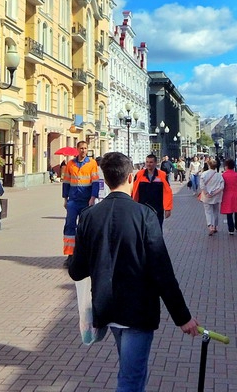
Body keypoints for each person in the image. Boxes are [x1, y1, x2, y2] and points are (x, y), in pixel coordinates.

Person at [68, 152, 198, 391]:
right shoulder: (144, 215)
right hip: (138, 311)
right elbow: (162, 272)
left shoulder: (88, 217)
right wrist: (183, 317)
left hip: (107, 309)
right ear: (131, 177)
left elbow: (76, 271)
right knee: (131, 379)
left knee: (130, 371)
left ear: (105, 180)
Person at [62, 140, 101, 265]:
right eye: (81, 148)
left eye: (85, 148)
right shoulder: (70, 164)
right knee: (69, 226)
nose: (83, 150)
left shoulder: (92, 163)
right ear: (77, 149)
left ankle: (86, 254)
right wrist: (65, 199)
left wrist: (93, 197)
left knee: (86, 227)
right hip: (73, 200)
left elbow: (95, 182)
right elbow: (66, 182)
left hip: (86, 200)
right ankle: (70, 255)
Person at [131, 154, 173, 227]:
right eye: (147, 162)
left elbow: (167, 192)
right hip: (142, 208)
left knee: (157, 230)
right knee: (143, 231)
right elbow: (133, 190)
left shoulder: (162, 175)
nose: (148, 164)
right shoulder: (139, 174)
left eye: (151, 162)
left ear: (155, 163)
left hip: (157, 208)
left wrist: (167, 208)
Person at [220, 159, 237, 235]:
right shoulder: (236, 175)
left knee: (229, 212)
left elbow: (222, 186)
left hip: (227, 195)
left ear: (226, 166)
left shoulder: (223, 175)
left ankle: (231, 229)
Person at [199, 158, 224, 235]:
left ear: (209, 165)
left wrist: (206, 193)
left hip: (206, 197)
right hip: (216, 196)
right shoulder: (219, 175)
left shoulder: (204, 174)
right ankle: (215, 226)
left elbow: (202, 186)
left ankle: (210, 226)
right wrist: (215, 193)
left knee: (208, 212)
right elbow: (221, 187)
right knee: (215, 211)